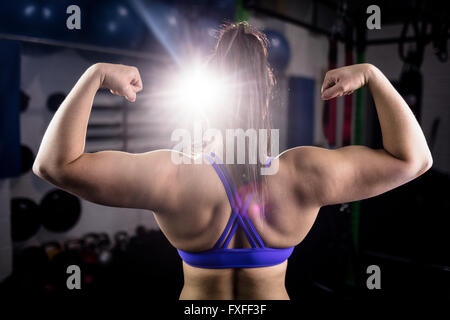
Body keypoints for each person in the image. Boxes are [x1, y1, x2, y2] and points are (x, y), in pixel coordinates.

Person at [33, 22, 432, 300]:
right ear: (266, 97)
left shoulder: (171, 175)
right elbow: (413, 160)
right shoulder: (302, 173)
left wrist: (96, 74)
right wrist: (373, 75)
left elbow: (54, 165)